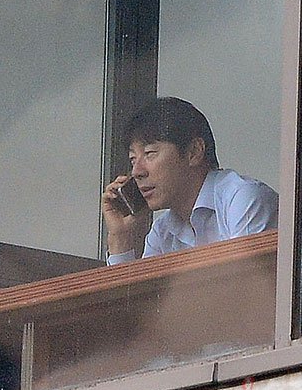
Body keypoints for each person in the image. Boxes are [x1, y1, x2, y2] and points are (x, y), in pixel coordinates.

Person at [102, 97, 278, 266]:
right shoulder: (162, 231)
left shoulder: (243, 199)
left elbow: (248, 282)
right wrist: (120, 237)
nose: (136, 172)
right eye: (133, 159)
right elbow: (137, 289)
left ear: (194, 152)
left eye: (150, 153)